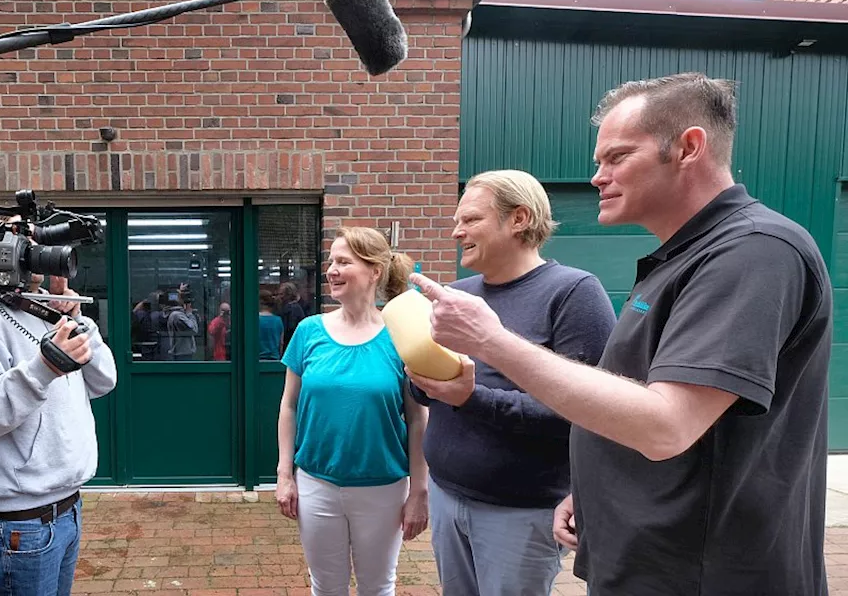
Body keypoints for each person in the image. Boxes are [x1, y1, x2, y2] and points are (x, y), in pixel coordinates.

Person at [412, 72, 831, 595]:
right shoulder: (678, 259)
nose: (596, 178)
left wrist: (491, 341)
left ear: (688, 147)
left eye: (616, 157)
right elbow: (627, 401)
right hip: (647, 559)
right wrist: (590, 491)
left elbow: (667, 426)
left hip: (704, 573)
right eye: (598, 162)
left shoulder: (755, 251)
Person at [407, 169, 615, 595]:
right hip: (448, 494)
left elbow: (588, 413)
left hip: (520, 511)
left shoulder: (573, 293)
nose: (456, 231)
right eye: (456, 222)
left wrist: (472, 398)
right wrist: (415, 370)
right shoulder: (458, 295)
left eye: (470, 220)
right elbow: (431, 394)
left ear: (518, 218)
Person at [0, 254, 117, 596]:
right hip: (21, 521)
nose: (41, 255)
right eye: (27, 242)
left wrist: (73, 316)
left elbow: (104, 380)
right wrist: (43, 369)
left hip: (67, 507)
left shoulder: (43, 311)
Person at [276, 227, 431, 596]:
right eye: (331, 261)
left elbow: (418, 418)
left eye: (344, 262)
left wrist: (419, 491)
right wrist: (285, 473)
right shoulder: (308, 330)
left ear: (375, 270)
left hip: (384, 487)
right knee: (325, 586)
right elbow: (288, 405)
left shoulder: (402, 337)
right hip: (316, 482)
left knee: (378, 587)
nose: (331, 269)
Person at [258, 289, 284, 360]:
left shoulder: (254, 320)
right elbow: (281, 343)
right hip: (274, 358)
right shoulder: (278, 320)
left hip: (256, 360)